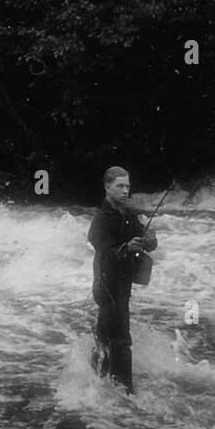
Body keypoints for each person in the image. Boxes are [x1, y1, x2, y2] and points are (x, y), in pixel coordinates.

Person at [88, 166, 157, 392]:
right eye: (120, 186)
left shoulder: (128, 215)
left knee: (108, 338)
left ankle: (99, 382)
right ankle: (126, 392)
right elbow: (105, 253)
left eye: (127, 186)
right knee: (120, 340)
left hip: (122, 284)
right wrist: (126, 248)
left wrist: (149, 239)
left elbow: (150, 244)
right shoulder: (100, 221)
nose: (125, 190)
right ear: (107, 187)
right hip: (106, 285)